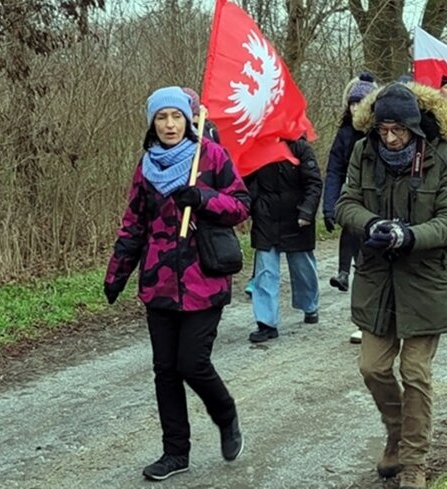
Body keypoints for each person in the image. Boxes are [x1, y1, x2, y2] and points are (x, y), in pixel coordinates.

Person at [104, 86, 249, 480]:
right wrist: (117, 272)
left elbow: (241, 206)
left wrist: (204, 198)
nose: (169, 125)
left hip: (205, 279)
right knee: (166, 370)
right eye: (161, 118)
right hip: (159, 282)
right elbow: (134, 223)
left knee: (192, 363)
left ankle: (225, 413)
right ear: (152, 122)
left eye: (176, 117)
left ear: (189, 119)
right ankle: (175, 453)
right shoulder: (146, 164)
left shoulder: (211, 156)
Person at [335, 82, 447, 489]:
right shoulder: (364, 151)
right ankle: (396, 430)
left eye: (398, 131)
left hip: (426, 280)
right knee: (373, 367)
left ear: (416, 128)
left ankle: (414, 460)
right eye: (383, 130)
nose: (390, 138)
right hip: (378, 279)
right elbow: (345, 203)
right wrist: (373, 224)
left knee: (415, 372)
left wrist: (409, 236)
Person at [246, 137, 323, 343]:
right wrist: (248, 208)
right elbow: (247, 180)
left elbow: (314, 183)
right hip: (265, 217)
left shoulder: (301, 147)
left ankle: (310, 306)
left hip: (296, 218)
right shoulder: (255, 146)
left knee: (302, 267)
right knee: (265, 270)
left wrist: (307, 211)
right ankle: (266, 323)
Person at [323, 72, 378, 344]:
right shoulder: (344, 135)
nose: (356, 108)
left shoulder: (382, 132)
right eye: (352, 103)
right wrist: (329, 206)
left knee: (372, 267)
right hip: (353, 201)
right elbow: (333, 170)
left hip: (379, 206)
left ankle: (378, 319)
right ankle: (361, 320)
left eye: (362, 103)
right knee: (362, 265)